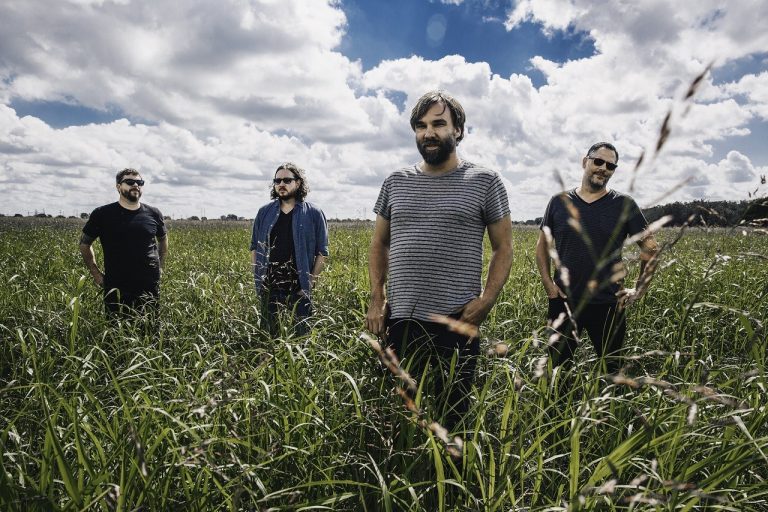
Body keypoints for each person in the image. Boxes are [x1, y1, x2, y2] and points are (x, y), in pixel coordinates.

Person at [366, 91, 514, 429]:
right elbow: (379, 243)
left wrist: (486, 301)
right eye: (420, 126)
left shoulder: (485, 181)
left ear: (458, 130)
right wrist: (377, 299)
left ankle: (450, 480)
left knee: (453, 417)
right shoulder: (395, 182)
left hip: (457, 319)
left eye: (438, 124)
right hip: (401, 320)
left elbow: (503, 248)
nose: (428, 133)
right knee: (398, 416)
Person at [536, 142, 659, 373]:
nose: (603, 168)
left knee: (611, 372)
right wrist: (549, 286)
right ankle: (557, 410)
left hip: (609, 305)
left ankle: (607, 410)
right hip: (564, 302)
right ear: (585, 162)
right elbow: (542, 245)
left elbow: (651, 249)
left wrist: (640, 289)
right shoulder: (558, 202)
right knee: (557, 372)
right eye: (598, 161)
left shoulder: (624, 204)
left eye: (610, 165)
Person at [250, 163, 329, 336]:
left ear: (298, 183)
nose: (281, 184)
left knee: (301, 339)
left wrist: (309, 284)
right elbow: (255, 247)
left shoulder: (314, 213)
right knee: (269, 341)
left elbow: (322, 252)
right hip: (269, 288)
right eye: (277, 180)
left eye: (287, 180)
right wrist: (259, 280)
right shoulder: (264, 212)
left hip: (299, 288)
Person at [79, 168, 168, 318]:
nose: (135, 185)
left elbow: (163, 239)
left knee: (150, 327)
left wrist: (160, 267)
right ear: (118, 187)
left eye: (139, 182)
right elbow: (84, 244)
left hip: (149, 283)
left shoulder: (153, 213)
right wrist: (96, 275)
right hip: (116, 285)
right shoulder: (102, 214)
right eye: (130, 182)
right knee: (116, 330)